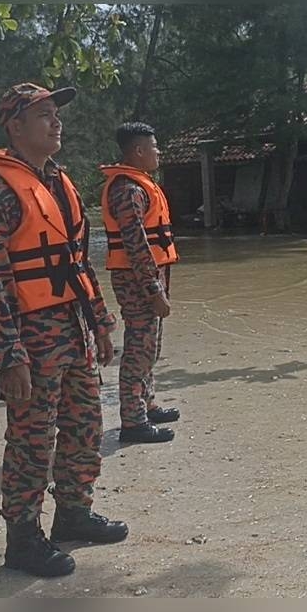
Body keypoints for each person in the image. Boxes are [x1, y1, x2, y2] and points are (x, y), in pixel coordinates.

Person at [0, 82, 128, 578]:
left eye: (57, 114)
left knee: (85, 425)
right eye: (44, 115)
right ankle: (23, 539)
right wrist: (8, 356)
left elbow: (77, 263)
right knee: (32, 439)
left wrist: (100, 322)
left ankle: (73, 513)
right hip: (29, 334)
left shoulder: (59, 181)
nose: (57, 123)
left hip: (73, 327)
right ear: (15, 127)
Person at [100, 122, 179, 444]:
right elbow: (135, 244)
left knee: (151, 345)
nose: (158, 152)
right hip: (137, 279)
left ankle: (147, 404)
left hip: (149, 275)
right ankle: (133, 421)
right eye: (154, 147)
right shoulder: (127, 190)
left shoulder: (140, 184)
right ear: (138, 150)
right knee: (139, 348)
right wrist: (153, 289)